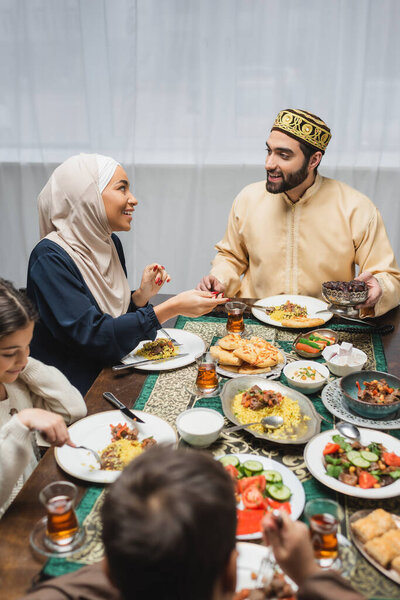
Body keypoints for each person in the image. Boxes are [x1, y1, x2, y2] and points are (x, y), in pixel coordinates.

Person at [22, 445, 365, 600]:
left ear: (109, 571)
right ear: (232, 573)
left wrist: (134, 560)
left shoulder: (104, 577)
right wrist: (309, 575)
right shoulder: (243, 576)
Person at [27, 154, 228, 395]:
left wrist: (140, 298)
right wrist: (171, 308)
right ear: (87, 197)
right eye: (122, 189)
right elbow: (96, 337)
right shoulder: (50, 258)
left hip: (112, 370)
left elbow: (112, 320)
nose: (133, 199)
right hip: (74, 391)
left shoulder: (109, 243)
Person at [197, 108, 400, 317]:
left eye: (283, 155)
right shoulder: (248, 198)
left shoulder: (355, 207)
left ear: (314, 160)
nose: (269, 164)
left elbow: (388, 276)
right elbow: (231, 256)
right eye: (269, 151)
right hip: (256, 319)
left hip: (325, 326)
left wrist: (380, 287)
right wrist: (219, 278)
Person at [0, 279, 86, 518]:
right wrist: (22, 422)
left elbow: (74, 409)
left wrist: (22, 366)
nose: (23, 359)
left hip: (32, 505)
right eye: (10, 353)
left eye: (28, 346)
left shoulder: (15, 384)